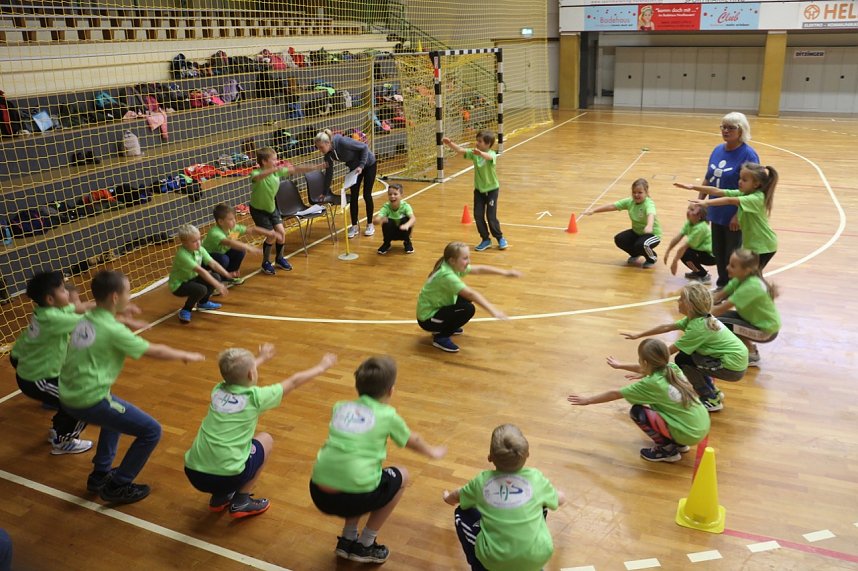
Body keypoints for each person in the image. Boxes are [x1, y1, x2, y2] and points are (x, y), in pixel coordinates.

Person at [60, 270, 205, 504]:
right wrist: (185, 354)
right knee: (151, 431)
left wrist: (125, 319)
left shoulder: (86, 317)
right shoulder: (113, 330)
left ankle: (100, 475)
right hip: (89, 399)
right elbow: (153, 351)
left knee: (114, 418)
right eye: (128, 292)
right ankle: (118, 485)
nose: (130, 296)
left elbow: (105, 323)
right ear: (115, 297)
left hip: (69, 393)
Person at [309, 356, 446, 564]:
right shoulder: (387, 415)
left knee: (355, 470)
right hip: (355, 496)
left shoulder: (340, 407)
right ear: (391, 390)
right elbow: (412, 439)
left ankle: (347, 538)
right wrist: (432, 451)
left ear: (357, 387)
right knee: (402, 476)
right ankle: (366, 544)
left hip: (318, 492)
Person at [184, 344, 336, 518]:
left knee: (224, 455)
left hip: (194, 472)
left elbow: (235, 373)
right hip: (227, 476)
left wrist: (261, 358)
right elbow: (293, 381)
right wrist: (321, 367)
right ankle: (241, 501)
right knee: (266, 440)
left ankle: (220, 498)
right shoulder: (255, 398)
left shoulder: (218, 390)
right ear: (251, 374)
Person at [442, 424, 566, 571]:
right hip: (538, 555)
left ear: (490, 458)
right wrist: (559, 494)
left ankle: (478, 565)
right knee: (542, 503)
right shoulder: (536, 478)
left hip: (495, 560)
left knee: (460, 511)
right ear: (527, 455)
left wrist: (447, 498)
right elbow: (560, 499)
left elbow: (457, 495)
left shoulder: (481, 481)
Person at [568, 338, 710, 463]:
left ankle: (667, 450)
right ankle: (678, 442)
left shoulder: (652, 384)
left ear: (645, 362)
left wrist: (588, 400)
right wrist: (620, 365)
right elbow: (645, 368)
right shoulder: (672, 368)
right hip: (701, 425)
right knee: (662, 407)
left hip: (689, 433)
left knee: (638, 412)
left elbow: (615, 394)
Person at [621, 282, 747, 412]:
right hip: (733, 361)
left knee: (684, 360)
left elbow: (667, 353)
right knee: (687, 357)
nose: (678, 300)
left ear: (690, 305)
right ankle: (713, 392)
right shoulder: (697, 318)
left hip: (732, 368)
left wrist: (646, 369)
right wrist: (639, 334)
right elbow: (666, 327)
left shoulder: (698, 328)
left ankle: (710, 398)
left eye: (681, 299)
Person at [11, 272, 96, 454]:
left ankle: (59, 431)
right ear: (50, 299)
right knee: (82, 400)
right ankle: (63, 441)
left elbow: (78, 309)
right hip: (38, 380)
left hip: (38, 373)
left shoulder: (49, 311)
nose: (67, 292)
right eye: (63, 290)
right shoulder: (54, 319)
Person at [417, 241, 521, 353]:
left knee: (465, 300)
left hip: (436, 310)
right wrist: (494, 311)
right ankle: (441, 337)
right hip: (428, 319)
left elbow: (478, 269)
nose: (468, 262)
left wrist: (505, 272)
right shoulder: (447, 276)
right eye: (465, 258)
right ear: (452, 260)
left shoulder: (450, 264)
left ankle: (445, 325)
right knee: (468, 309)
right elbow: (472, 293)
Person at [677, 162, 778, 269]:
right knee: (749, 277)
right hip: (754, 245)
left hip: (763, 246)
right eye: (740, 178)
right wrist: (693, 187)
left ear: (756, 184)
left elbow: (730, 200)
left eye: (744, 180)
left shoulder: (757, 198)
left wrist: (707, 203)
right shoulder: (745, 193)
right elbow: (717, 191)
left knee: (751, 277)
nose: (740, 182)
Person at [699, 112, 760, 288]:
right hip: (715, 211)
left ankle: (733, 290)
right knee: (718, 252)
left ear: (741, 130)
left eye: (731, 128)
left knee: (732, 256)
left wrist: (738, 215)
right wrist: (700, 204)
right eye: (723, 127)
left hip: (734, 216)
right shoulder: (717, 150)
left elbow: (754, 190)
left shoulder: (748, 154)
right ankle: (722, 286)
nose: (726, 131)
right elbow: (708, 179)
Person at [250, 146, 321, 274]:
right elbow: (259, 176)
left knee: (281, 233)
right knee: (272, 236)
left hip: (272, 208)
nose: (277, 162)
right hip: (258, 211)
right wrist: (274, 169)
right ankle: (265, 262)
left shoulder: (276, 171)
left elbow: (296, 169)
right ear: (264, 162)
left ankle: (279, 258)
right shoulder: (256, 173)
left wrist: (314, 167)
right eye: (274, 159)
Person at [712, 249, 781, 367]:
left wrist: (695, 314)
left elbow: (719, 309)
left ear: (746, 270)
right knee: (717, 319)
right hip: (753, 321)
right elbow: (718, 296)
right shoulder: (740, 279)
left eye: (733, 266)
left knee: (718, 322)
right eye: (729, 264)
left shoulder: (751, 287)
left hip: (766, 331)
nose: (727, 267)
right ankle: (746, 347)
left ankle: (751, 354)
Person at [442, 130, 507, 251]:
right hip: (479, 191)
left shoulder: (492, 154)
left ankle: (500, 238)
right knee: (478, 215)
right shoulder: (475, 153)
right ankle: (485, 239)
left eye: (480, 141)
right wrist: (450, 143)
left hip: (492, 190)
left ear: (487, 144)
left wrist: (480, 153)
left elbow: (488, 157)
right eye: (477, 141)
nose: (477, 143)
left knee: (491, 216)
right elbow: (460, 151)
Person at [583, 178, 662, 268]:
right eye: (634, 192)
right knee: (619, 239)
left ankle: (652, 258)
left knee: (642, 244)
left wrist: (649, 225)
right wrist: (593, 210)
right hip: (637, 232)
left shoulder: (649, 203)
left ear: (646, 192)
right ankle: (635, 254)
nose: (636, 195)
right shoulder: (629, 202)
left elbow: (650, 214)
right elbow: (612, 206)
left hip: (652, 234)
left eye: (640, 192)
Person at [315, 129, 378, 239]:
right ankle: (354, 226)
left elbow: (364, 147)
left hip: (368, 164)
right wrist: (324, 192)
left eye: (321, 147)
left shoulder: (342, 142)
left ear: (328, 143)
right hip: (354, 169)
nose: (320, 150)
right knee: (354, 196)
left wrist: (361, 166)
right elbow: (329, 173)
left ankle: (370, 224)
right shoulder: (328, 155)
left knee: (366, 195)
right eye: (318, 148)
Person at [169, 223, 231, 325]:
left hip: (192, 279)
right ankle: (186, 310)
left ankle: (203, 302)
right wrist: (218, 285)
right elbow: (201, 271)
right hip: (179, 285)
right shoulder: (183, 255)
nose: (198, 243)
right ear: (184, 243)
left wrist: (227, 274)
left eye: (199, 239)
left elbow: (213, 263)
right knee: (201, 289)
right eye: (194, 241)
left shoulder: (199, 249)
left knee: (216, 276)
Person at [201, 203, 263, 284]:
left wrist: (271, 233)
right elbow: (230, 242)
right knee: (224, 259)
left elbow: (251, 230)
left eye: (234, 218)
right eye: (230, 219)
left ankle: (228, 277)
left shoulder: (233, 228)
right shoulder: (215, 233)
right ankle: (215, 282)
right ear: (220, 221)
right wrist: (249, 247)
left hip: (220, 255)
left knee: (240, 251)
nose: (234, 221)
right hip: (204, 260)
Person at [663, 203, 716, 283]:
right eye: (688, 208)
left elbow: (684, 247)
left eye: (692, 210)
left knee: (685, 253)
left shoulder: (701, 228)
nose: (688, 211)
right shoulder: (690, 223)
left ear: (699, 216)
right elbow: (678, 237)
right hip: (700, 252)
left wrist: (674, 262)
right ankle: (697, 272)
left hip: (711, 257)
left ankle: (703, 275)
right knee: (685, 253)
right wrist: (668, 251)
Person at [372, 183, 416, 255]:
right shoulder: (386, 207)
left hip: (403, 231)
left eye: (395, 194)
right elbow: (376, 220)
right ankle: (387, 243)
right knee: (387, 222)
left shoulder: (406, 206)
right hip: (392, 232)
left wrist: (407, 225)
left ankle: (407, 242)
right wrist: (378, 220)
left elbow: (413, 218)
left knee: (406, 219)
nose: (392, 196)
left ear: (401, 195)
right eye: (390, 194)